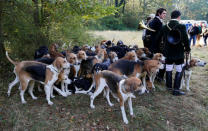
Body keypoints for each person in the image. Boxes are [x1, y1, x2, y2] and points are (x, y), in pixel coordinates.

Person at [157, 10, 191, 96]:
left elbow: (159, 39)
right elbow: (185, 39)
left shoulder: (165, 27)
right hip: (178, 52)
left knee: (168, 68)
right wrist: (187, 49)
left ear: (171, 17)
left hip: (168, 52)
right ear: (179, 17)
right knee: (179, 69)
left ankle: (168, 87)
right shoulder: (181, 26)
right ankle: (176, 90)